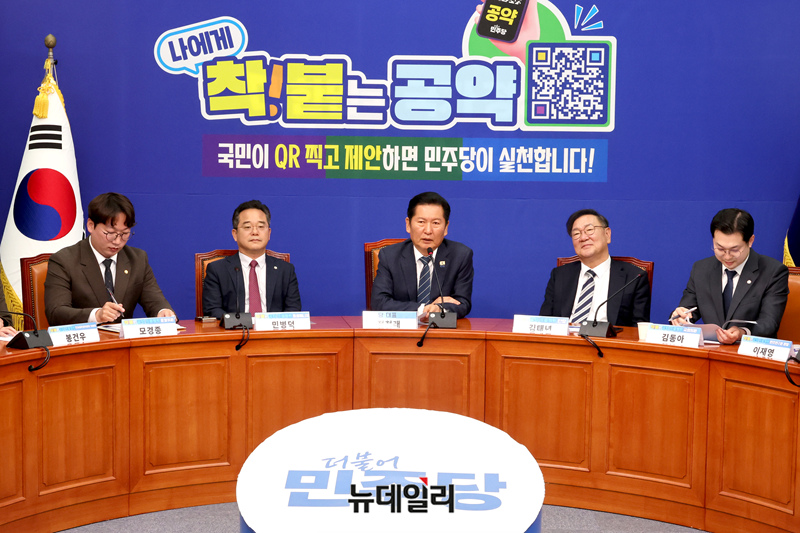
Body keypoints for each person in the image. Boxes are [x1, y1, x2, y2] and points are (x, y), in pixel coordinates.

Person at [44, 192, 175, 326]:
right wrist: (96, 315)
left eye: (124, 234)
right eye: (110, 233)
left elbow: (155, 300)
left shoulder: (137, 259)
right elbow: (56, 313)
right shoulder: (64, 261)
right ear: (91, 225)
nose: (117, 241)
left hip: (123, 338)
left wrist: (163, 311)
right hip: (84, 338)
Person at [671, 208, 789, 343]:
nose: (727, 257)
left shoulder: (773, 271)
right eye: (720, 248)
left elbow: (769, 323)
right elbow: (688, 309)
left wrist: (742, 332)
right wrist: (680, 317)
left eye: (735, 250)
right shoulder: (701, 269)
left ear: (750, 241)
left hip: (749, 349)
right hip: (712, 349)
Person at [371, 191, 473, 319]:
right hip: (402, 330)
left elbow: (463, 303)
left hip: (441, 329)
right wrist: (423, 309)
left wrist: (440, 309)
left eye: (436, 223)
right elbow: (379, 303)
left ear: (446, 227)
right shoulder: (390, 256)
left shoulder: (460, 255)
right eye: (421, 222)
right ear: (408, 224)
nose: (428, 231)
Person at [540, 209, 651, 326]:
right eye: (576, 234)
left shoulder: (634, 277)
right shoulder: (559, 275)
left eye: (589, 230)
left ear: (607, 234)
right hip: (566, 337)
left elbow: (638, 329)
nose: (583, 238)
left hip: (608, 337)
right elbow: (544, 322)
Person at [203, 200, 301, 319]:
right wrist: (242, 323)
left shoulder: (285, 270)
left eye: (261, 226)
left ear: (269, 233)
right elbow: (212, 309)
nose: (255, 232)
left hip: (273, 330)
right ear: (235, 234)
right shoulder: (217, 270)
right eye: (247, 227)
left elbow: (293, 310)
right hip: (235, 329)